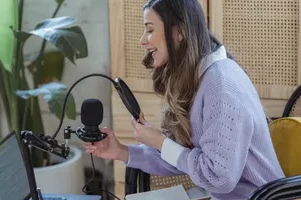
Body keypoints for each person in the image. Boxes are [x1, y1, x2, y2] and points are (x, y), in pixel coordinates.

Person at [84, 0, 285, 199]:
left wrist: (161, 143)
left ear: (179, 32)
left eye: (150, 30)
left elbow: (219, 177)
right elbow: (181, 156)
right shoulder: (198, 78)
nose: (143, 40)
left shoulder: (221, 85)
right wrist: (121, 151)